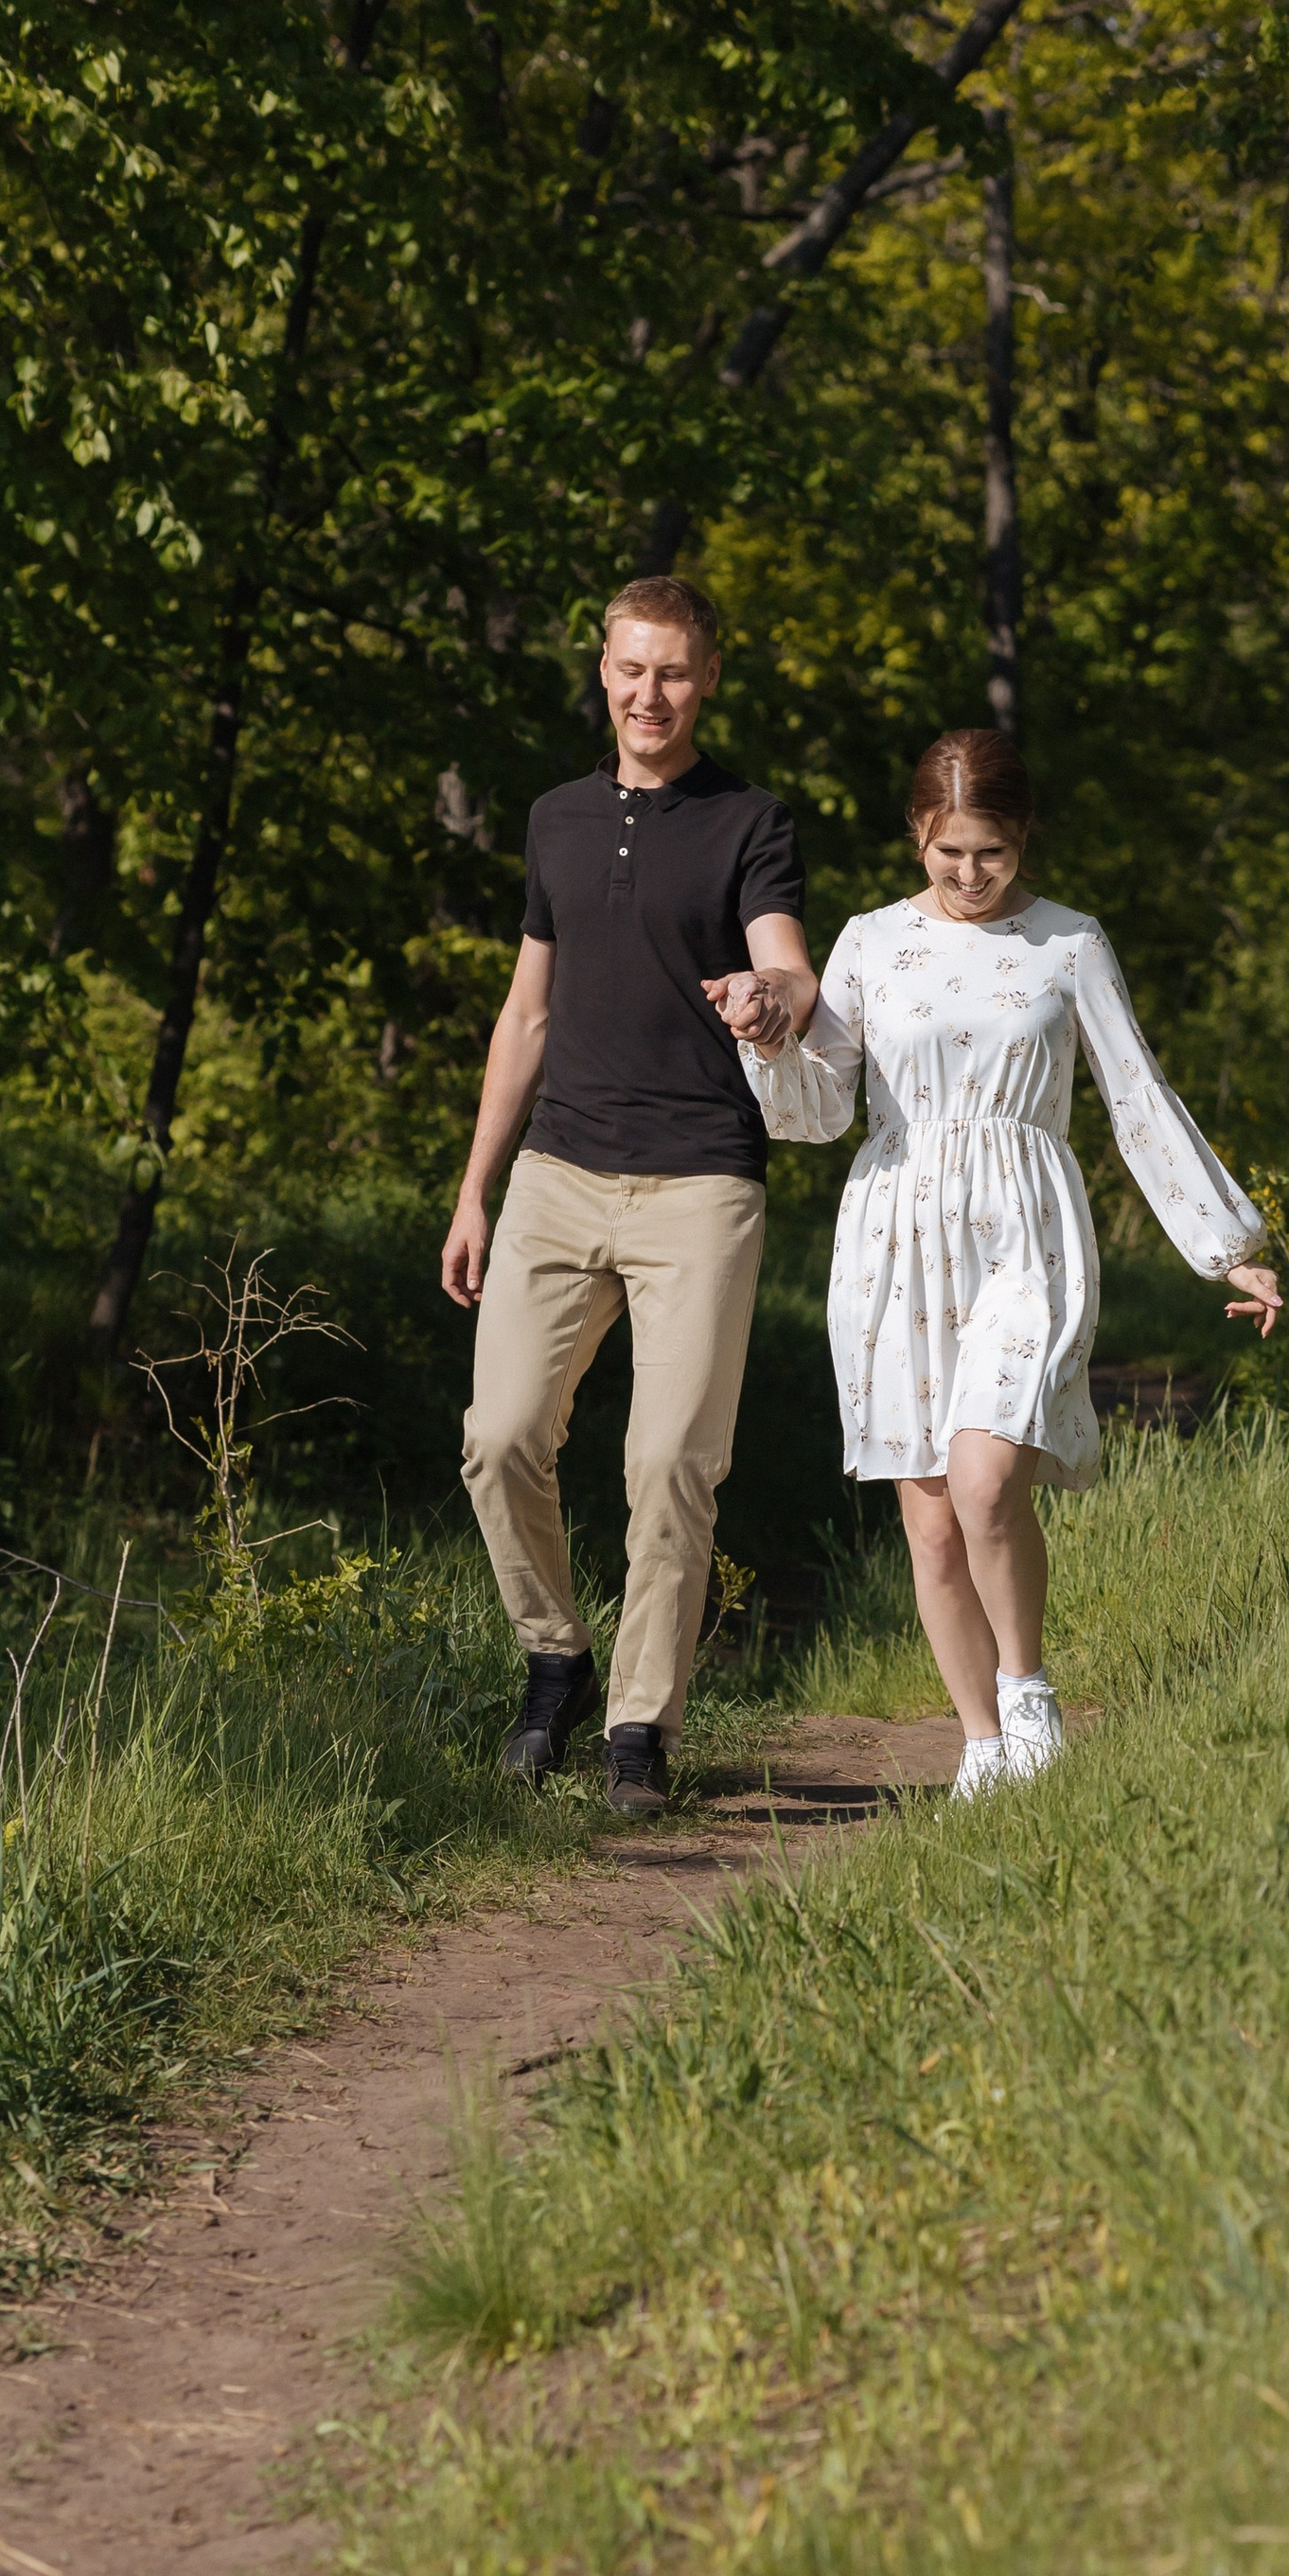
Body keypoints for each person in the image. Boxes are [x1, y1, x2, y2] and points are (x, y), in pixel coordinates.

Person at [739, 728, 1282, 1799]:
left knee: (986, 1485)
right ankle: (982, 1746)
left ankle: (1029, 1697)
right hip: (896, 1238)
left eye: (991, 852)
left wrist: (1228, 1249)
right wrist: (769, 1047)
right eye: (949, 852)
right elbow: (818, 1112)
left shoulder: (1068, 943)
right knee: (931, 1516)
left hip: (1026, 1234)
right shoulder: (867, 943)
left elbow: (1136, 1093)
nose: (970, 874)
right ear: (917, 836)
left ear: (1024, 837)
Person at [441, 578, 815, 1818]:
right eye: (630, 669)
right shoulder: (554, 819)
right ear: (601, 670)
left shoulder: (749, 820)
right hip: (556, 1173)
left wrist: (770, 1002)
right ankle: (554, 1659)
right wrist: (475, 1190)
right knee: (499, 1437)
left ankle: (638, 1729)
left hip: (700, 1182)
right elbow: (526, 1014)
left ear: (708, 679)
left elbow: (787, 965)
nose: (650, 694)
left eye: (674, 672)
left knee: (668, 1462)